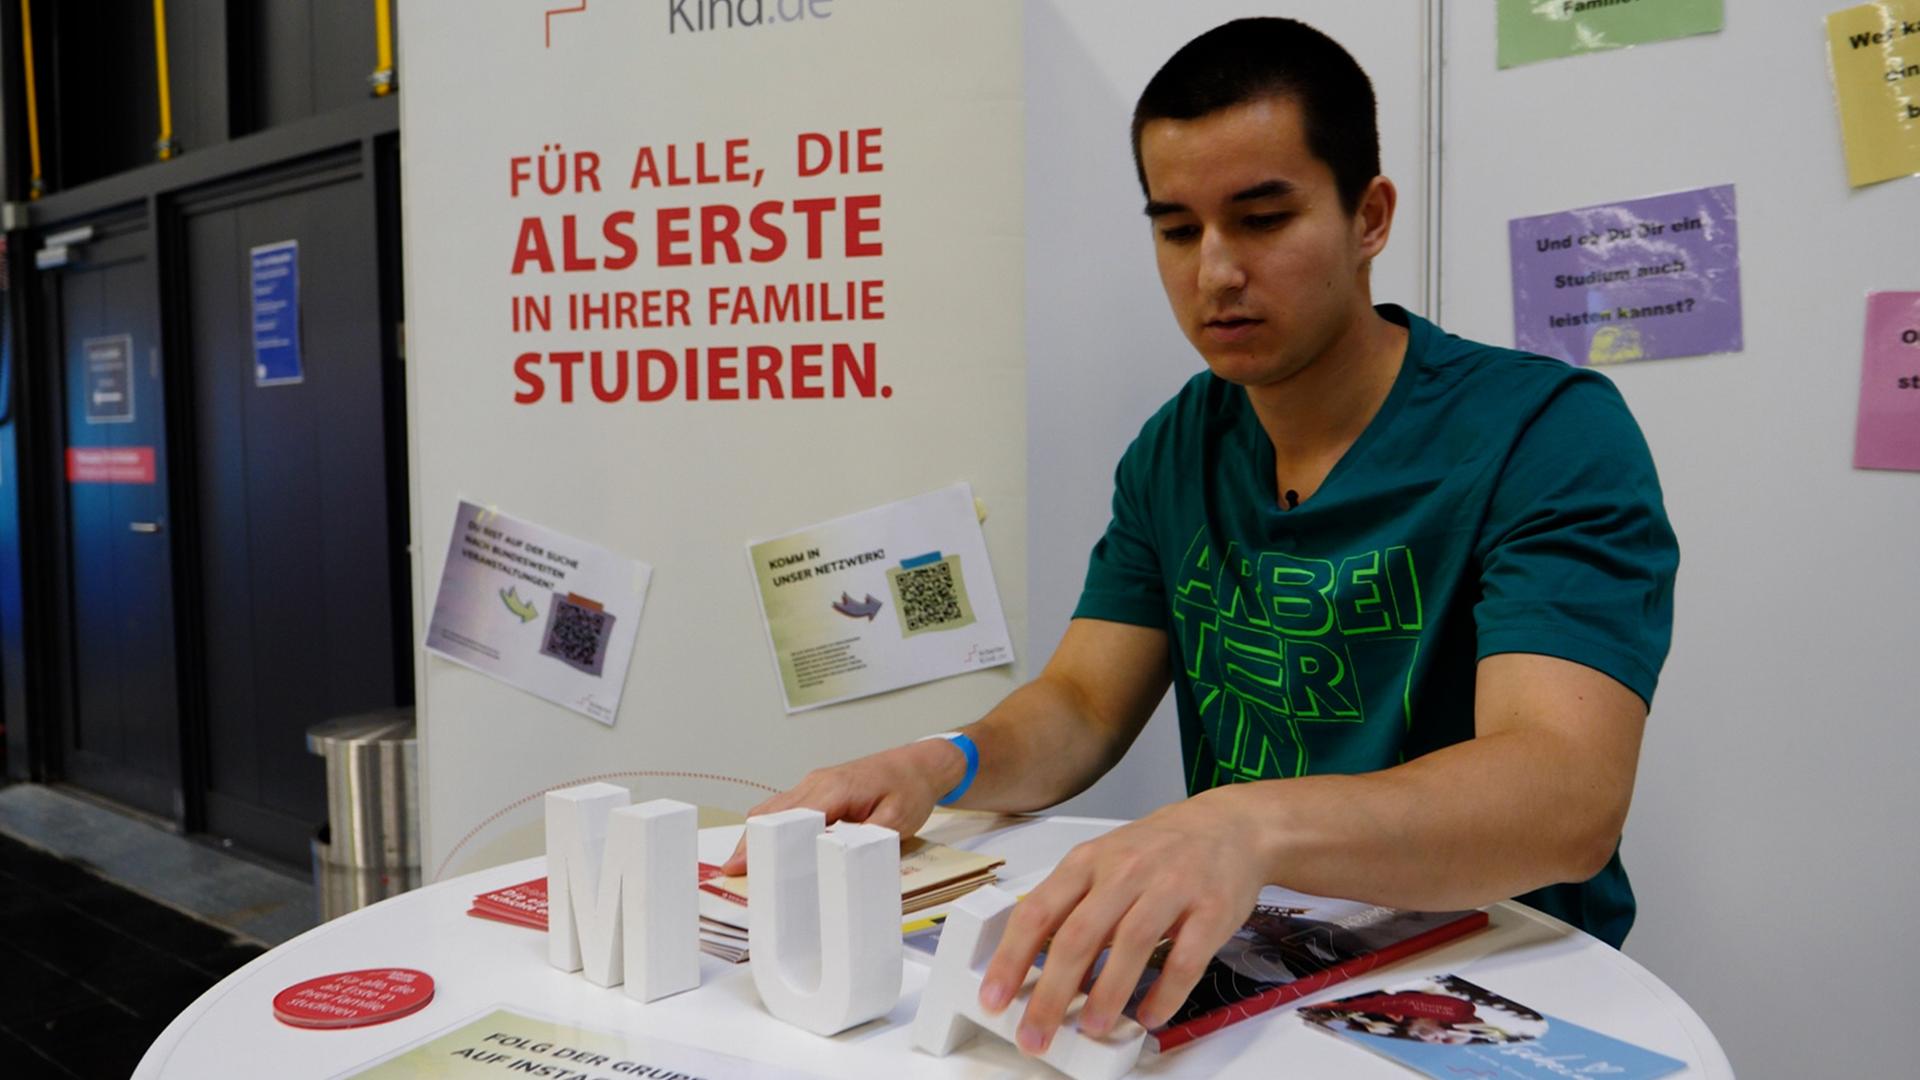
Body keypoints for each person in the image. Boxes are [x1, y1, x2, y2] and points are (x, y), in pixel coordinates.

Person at [722, 16, 1678, 1058]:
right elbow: (1084, 704)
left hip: (1491, 989)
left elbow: (1563, 793)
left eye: (1262, 218)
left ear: (1370, 216)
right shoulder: (1180, 445)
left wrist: (1244, 823)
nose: (1215, 271)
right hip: (1252, 974)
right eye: (1177, 229)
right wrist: (941, 763)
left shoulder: (1544, 432)